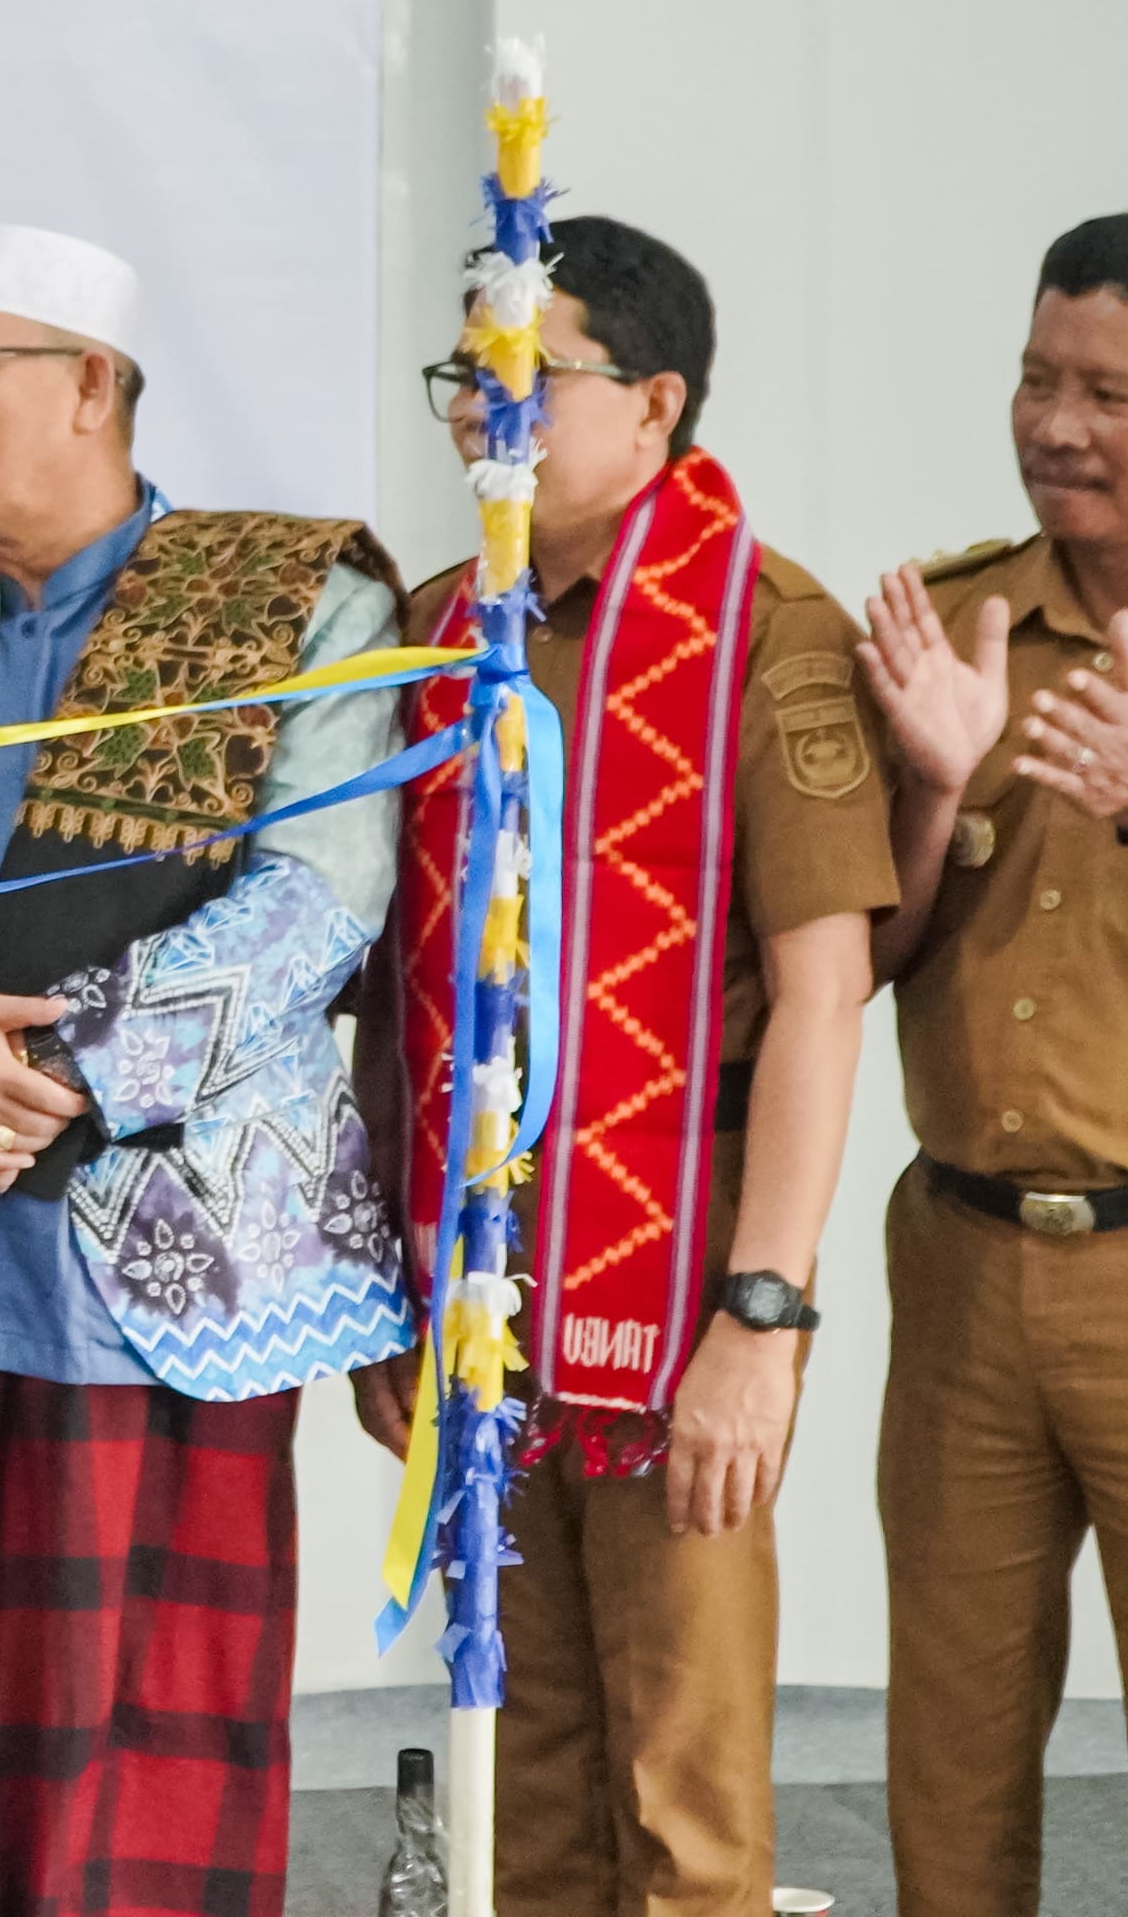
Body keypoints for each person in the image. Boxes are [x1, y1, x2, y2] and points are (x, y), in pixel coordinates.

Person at [0, 223, 407, 1917]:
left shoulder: (296, 603)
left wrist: (48, 1073)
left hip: (161, 1254)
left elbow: (318, 897)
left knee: (121, 1764)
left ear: (97, 386)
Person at [345, 216, 888, 1917]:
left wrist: (766, 1321)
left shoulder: (761, 629)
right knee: (522, 1778)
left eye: (533, 379)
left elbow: (823, 996)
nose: (481, 417)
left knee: (683, 1798)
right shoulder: (440, 632)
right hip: (475, 1281)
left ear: (655, 406)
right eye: (467, 377)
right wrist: (392, 1287)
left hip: (678, 1286)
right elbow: (389, 993)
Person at [853, 211, 1128, 1915]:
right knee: (947, 1756)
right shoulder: (952, 629)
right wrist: (933, 785)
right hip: (961, 1265)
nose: (1056, 425)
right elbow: (858, 958)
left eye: (1109, 392)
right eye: (1034, 379)